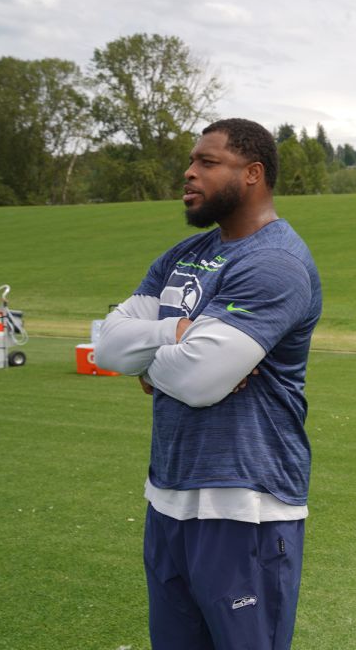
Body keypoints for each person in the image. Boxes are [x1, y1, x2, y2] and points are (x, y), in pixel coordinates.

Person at [95, 118, 322, 650]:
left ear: (253, 174)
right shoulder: (183, 257)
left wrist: (150, 364)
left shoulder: (275, 261)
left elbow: (199, 380)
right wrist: (174, 337)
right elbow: (106, 345)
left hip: (245, 504)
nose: (188, 171)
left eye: (207, 162)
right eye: (192, 160)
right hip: (168, 495)